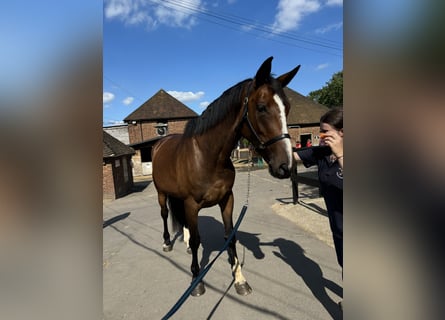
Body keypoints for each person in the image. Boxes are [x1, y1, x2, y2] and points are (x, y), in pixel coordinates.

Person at [293, 107, 343, 269]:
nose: (320, 136)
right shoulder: (322, 153)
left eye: (324, 132)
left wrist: (341, 155)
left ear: (341, 132)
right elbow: (289, 155)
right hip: (339, 229)